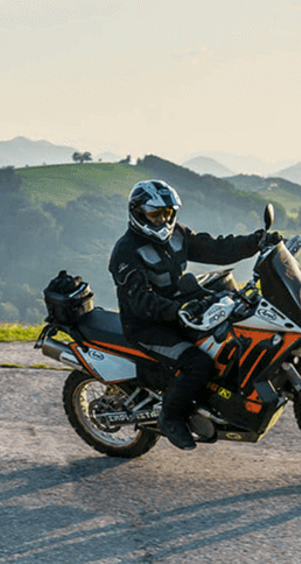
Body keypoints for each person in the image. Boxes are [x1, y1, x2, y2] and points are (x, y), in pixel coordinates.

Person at [108, 179, 276, 450]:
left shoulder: (178, 235)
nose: (164, 221)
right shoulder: (127, 252)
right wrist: (178, 310)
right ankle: (171, 417)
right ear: (138, 213)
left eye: (168, 214)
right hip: (147, 326)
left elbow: (216, 248)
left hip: (182, 312)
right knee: (197, 363)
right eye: (156, 214)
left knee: (232, 332)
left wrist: (257, 241)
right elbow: (140, 301)